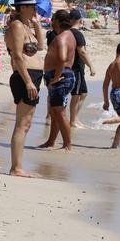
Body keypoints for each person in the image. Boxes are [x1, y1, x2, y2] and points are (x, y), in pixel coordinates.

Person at [5, 0, 45, 177]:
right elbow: (17, 55)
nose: (36, 8)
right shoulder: (16, 26)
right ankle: (16, 168)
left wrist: (37, 25)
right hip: (25, 77)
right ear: (23, 7)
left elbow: (41, 47)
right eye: (32, 5)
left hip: (33, 76)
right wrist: (29, 82)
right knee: (22, 124)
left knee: (26, 124)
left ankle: (18, 166)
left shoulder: (26, 26)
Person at [41, 9, 77, 151]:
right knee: (55, 111)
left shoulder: (62, 37)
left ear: (56, 21)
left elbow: (62, 58)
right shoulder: (70, 35)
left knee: (60, 112)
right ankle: (51, 141)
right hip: (61, 75)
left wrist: (55, 78)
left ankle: (68, 145)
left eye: (53, 19)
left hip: (60, 77)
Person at [67, 9, 95, 130]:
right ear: (80, 20)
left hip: (76, 67)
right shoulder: (77, 33)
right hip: (76, 68)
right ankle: (72, 120)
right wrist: (91, 66)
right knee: (76, 94)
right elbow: (82, 52)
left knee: (83, 93)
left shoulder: (67, 32)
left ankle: (75, 118)